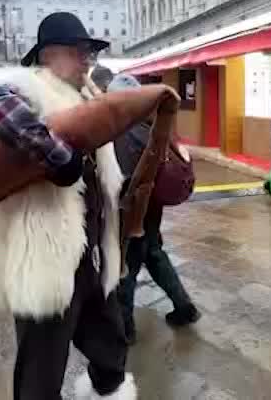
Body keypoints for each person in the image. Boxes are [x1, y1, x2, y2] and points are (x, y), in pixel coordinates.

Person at [0, 12, 135, 400]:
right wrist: (58, 158)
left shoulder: (86, 95)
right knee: (41, 370)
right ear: (48, 55)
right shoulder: (26, 87)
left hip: (93, 254)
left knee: (111, 348)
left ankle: (107, 392)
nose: (87, 61)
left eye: (88, 53)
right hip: (45, 255)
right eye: (80, 52)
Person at [109, 73, 200, 346]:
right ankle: (184, 307)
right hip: (153, 209)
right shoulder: (153, 125)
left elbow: (123, 178)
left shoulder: (123, 132)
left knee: (126, 266)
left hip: (132, 212)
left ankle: (125, 329)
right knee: (154, 254)